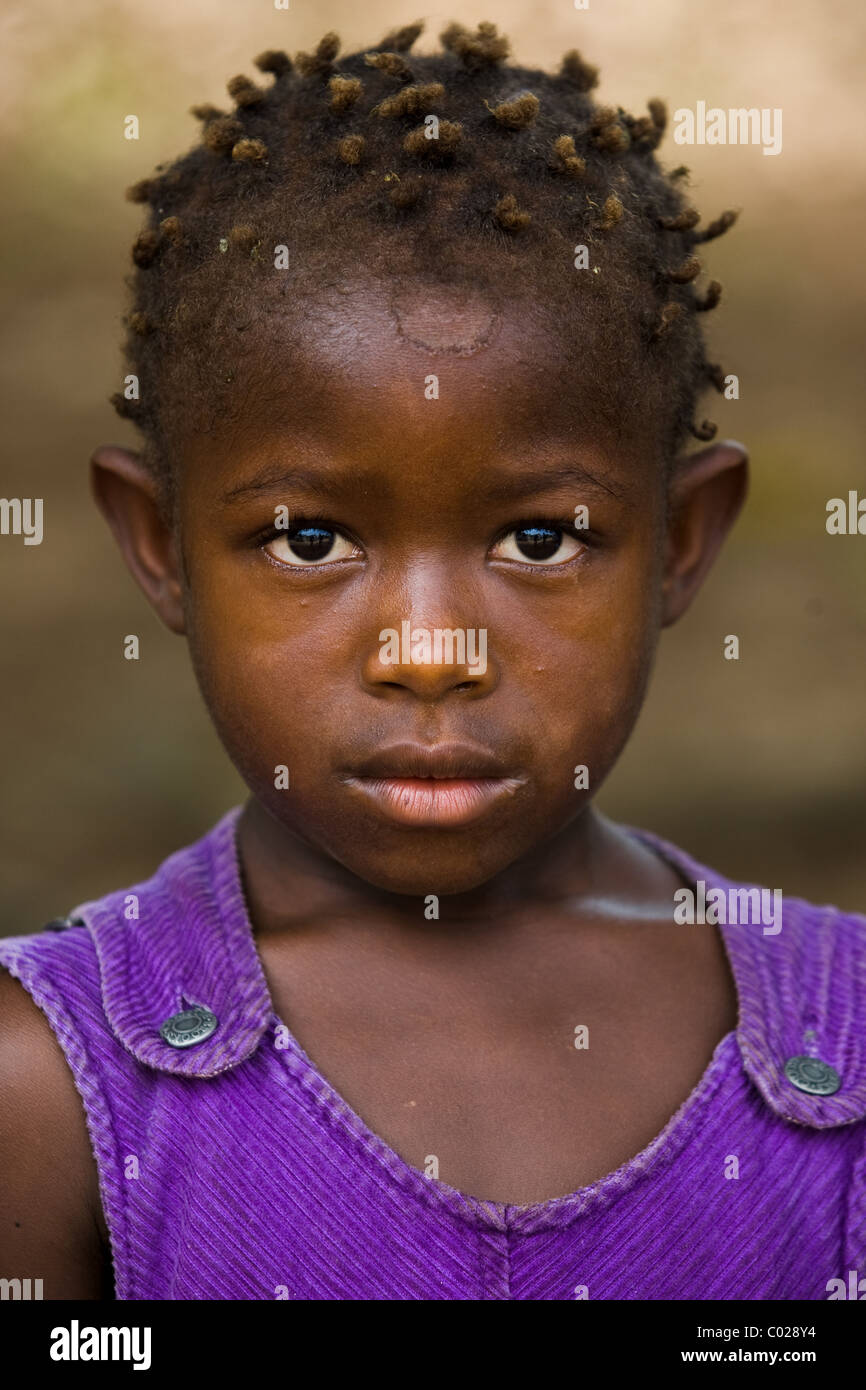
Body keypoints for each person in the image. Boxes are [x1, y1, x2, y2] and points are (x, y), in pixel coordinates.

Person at [1, 20, 863, 1301]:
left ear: (681, 541)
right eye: (307, 539)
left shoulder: (838, 1054)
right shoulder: (52, 1084)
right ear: (161, 547)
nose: (427, 653)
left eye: (535, 539)